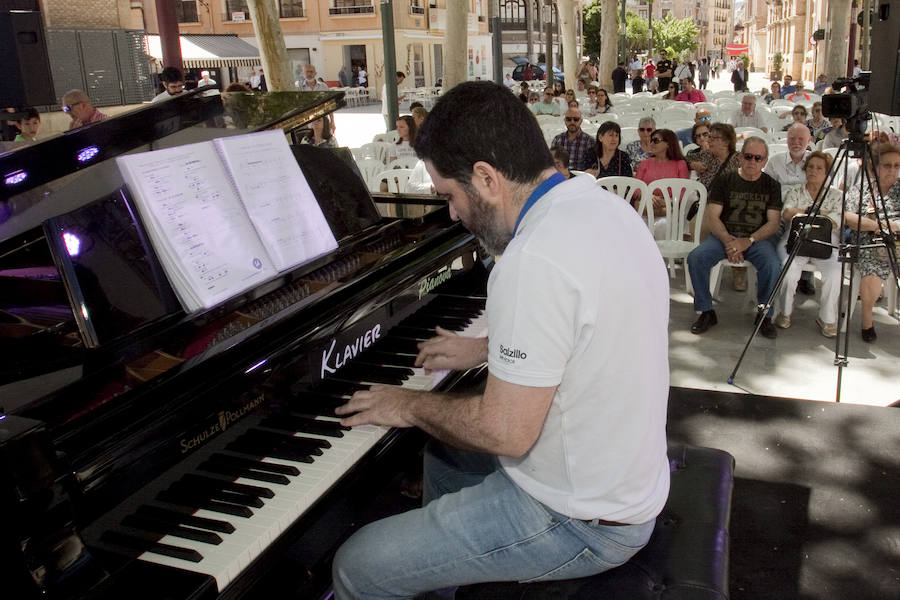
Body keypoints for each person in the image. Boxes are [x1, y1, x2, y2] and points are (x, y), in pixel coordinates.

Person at [331, 80, 670, 600]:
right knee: (444, 456)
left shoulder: (532, 259)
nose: (451, 213)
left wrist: (408, 404)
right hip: (627, 487)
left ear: (486, 178)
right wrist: (484, 348)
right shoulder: (603, 208)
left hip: (581, 522)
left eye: (449, 194)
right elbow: (580, 325)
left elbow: (505, 433)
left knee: (359, 565)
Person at [687, 137, 783, 338]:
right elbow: (713, 216)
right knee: (696, 258)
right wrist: (729, 242)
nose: (752, 162)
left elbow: (773, 223)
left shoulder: (772, 185)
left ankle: (764, 314)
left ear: (765, 161)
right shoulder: (726, 180)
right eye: (748, 156)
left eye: (758, 158)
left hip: (756, 240)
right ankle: (706, 311)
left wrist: (747, 241)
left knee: (773, 265)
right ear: (740, 157)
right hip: (725, 236)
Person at [774, 151, 844, 337]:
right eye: (810, 167)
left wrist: (804, 214)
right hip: (796, 238)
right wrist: (817, 212)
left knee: (835, 272)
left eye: (819, 168)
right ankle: (785, 312)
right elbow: (787, 213)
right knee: (788, 269)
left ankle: (827, 317)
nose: (813, 171)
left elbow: (835, 222)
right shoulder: (795, 191)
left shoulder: (837, 195)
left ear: (827, 173)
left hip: (826, 241)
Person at [843, 143, 900, 342]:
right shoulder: (863, 188)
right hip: (869, 241)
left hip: (898, 241)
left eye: (896, 165)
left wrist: (892, 225)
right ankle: (867, 321)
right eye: (887, 165)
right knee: (872, 266)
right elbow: (848, 216)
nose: (892, 170)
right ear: (876, 166)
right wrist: (877, 226)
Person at [635, 128, 690, 239]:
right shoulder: (644, 164)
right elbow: (636, 189)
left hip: (670, 210)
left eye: (655, 140)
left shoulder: (680, 164)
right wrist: (648, 196)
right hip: (645, 207)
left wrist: (663, 202)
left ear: (668, 144)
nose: (651, 143)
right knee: (637, 226)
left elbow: (682, 194)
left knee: (663, 226)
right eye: (651, 140)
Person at [550, 107, 596, 172]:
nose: (572, 122)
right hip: (561, 177)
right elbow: (551, 163)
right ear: (565, 120)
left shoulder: (590, 141)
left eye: (576, 119)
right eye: (568, 119)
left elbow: (592, 166)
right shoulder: (557, 140)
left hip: (580, 178)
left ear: (581, 121)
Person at [685, 122, 719, 189]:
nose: (702, 138)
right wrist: (691, 164)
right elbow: (684, 161)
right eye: (698, 136)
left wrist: (706, 151)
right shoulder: (692, 153)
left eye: (705, 134)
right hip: (697, 186)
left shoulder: (719, 151)